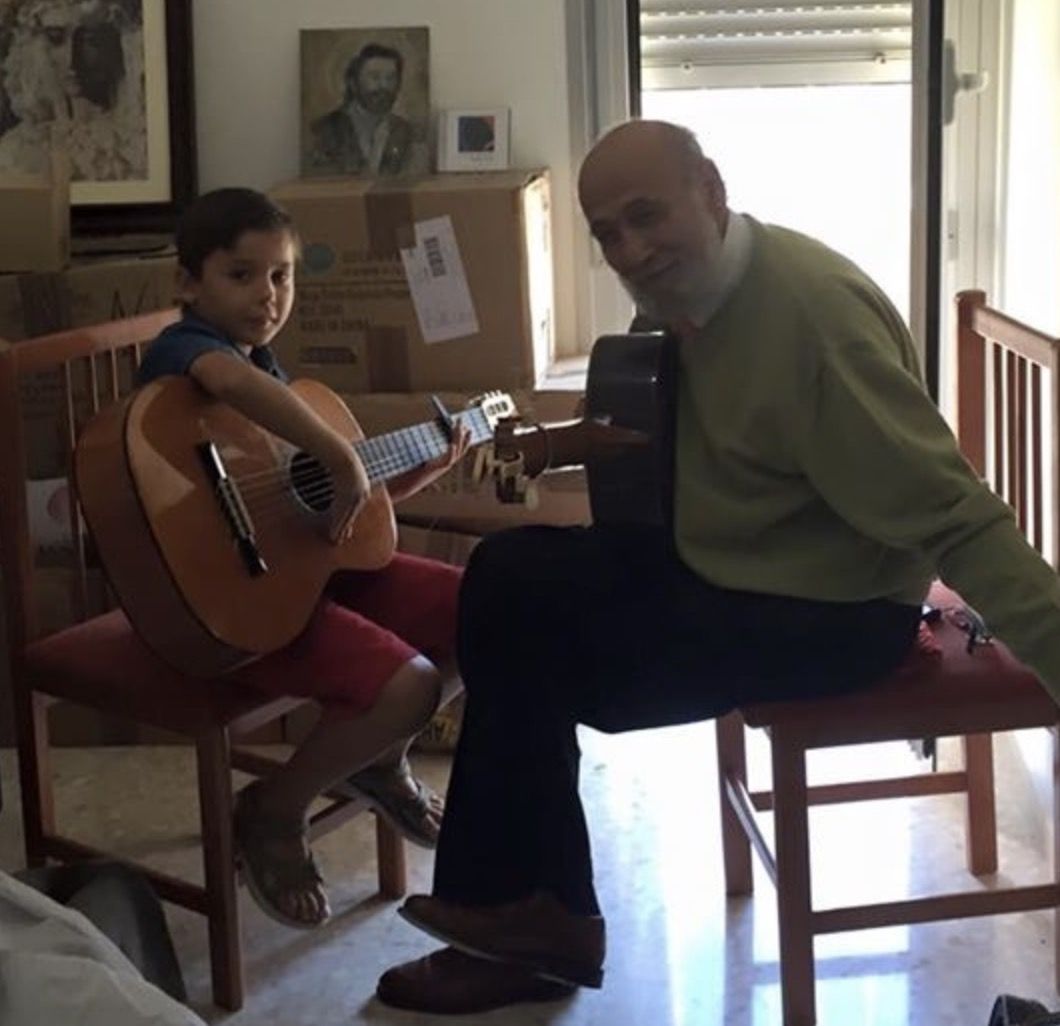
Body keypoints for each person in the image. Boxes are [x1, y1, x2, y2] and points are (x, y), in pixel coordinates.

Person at [375, 118, 1060, 1014]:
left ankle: (527, 923)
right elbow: (688, 428)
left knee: (526, 641)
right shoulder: (686, 297)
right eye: (608, 233)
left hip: (831, 610)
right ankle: (526, 915)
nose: (630, 248)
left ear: (712, 189)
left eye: (646, 215)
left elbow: (960, 516)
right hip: (729, 562)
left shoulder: (815, 327)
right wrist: (564, 443)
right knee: (509, 581)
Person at [136, 187, 469, 930]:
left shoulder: (270, 369)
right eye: (241, 274)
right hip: (225, 605)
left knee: (488, 609)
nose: (268, 294)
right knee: (408, 686)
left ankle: (377, 757)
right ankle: (273, 809)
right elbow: (230, 382)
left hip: (299, 574)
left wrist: (414, 470)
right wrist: (333, 451)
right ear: (189, 283)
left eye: (283, 275)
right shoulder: (185, 353)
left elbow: (326, 504)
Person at [306, 43, 414, 177]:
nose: (384, 86)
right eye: (374, 77)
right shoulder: (324, 130)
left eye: (391, 78)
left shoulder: (406, 131)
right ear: (353, 83)